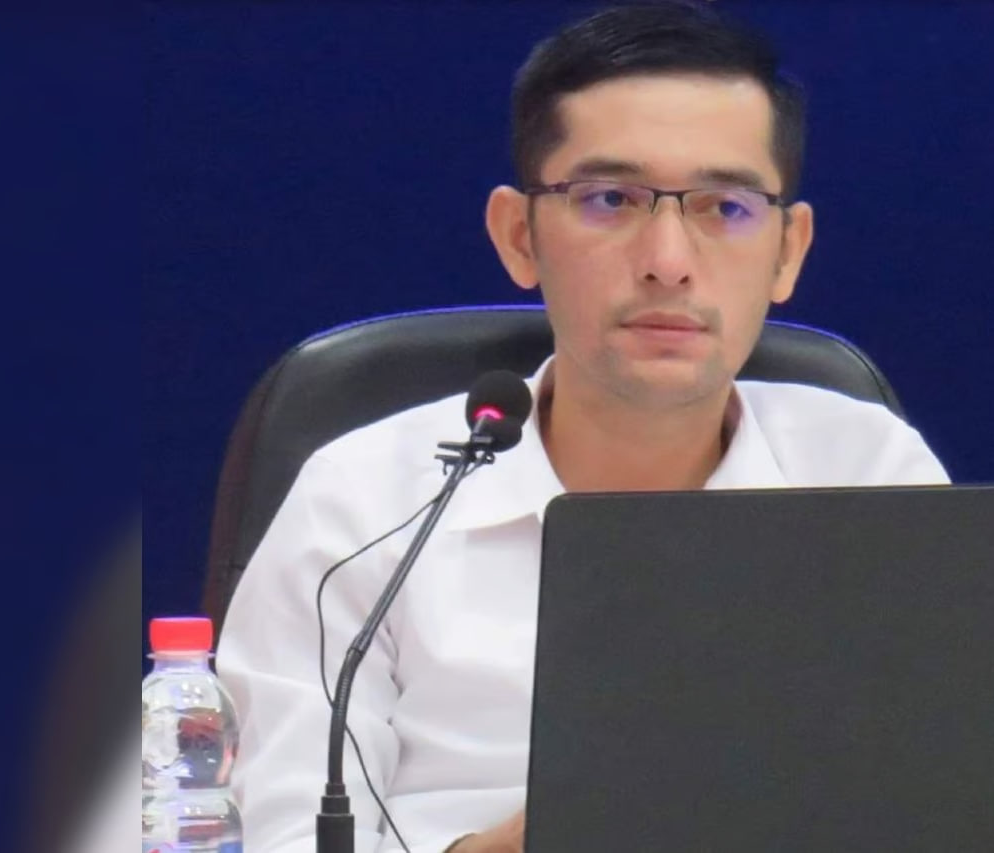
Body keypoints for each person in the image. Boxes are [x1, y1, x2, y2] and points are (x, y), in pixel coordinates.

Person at [217, 3, 955, 851]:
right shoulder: (365, 500)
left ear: (789, 250)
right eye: (610, 199)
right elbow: (282, 833)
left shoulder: (866, 469)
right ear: (519, 236)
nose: (669, 261)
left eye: (726, 207)